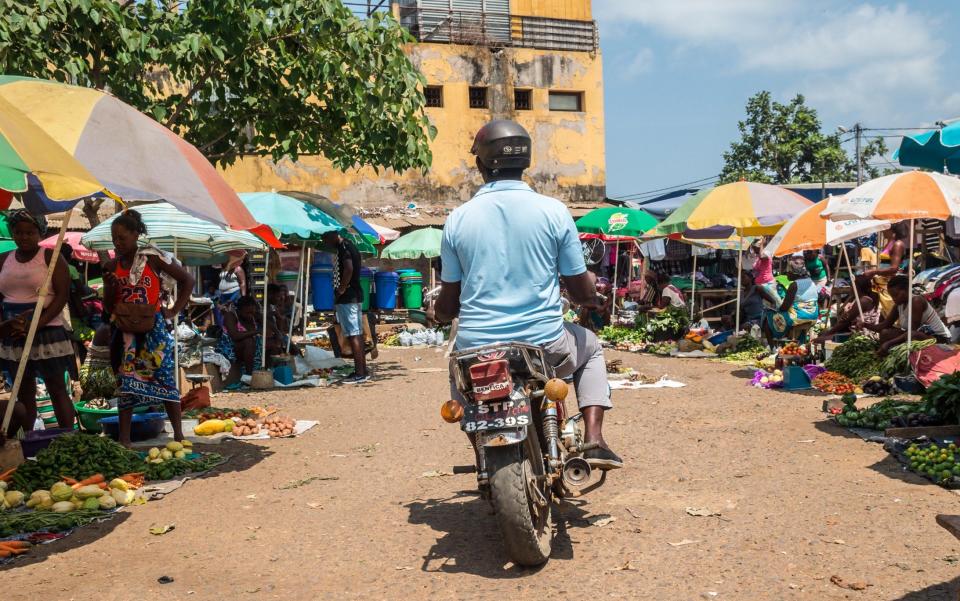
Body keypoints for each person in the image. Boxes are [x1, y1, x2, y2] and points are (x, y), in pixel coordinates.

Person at [436, 119, 621, 470]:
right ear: (526, 162)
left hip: (479, 348)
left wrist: (441, 313)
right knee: (592, 347)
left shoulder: (457, 220)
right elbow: (580, 290)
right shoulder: (553, 212)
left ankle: (482, 453)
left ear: (480, 164)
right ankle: (595, 439)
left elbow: (449, 300)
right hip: (545, 348)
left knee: (459, 374)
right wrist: (593, 298)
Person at [103, 210, 194, 446]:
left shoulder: (152, 258)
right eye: (114, 238)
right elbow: (107, 307)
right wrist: (111, 286)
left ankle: (178, 434)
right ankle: (124, 440)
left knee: (163, 379)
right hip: (125, 334)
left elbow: (187, 280)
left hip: (153, 333)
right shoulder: (112, 265)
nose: (117, 243)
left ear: (136, 235)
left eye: (122, 237)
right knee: (126, 384)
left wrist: (173, 311)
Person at [0, 211, 77, 437]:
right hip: (13, 331)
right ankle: (29, 439)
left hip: (47, 329)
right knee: (24, 391)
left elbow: (62, 296)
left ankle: (68, 438)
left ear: (39, 233)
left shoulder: (51, 258)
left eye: (30, 232)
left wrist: (38, 324)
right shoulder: (4, 259)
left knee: (56, 387)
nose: (24, 237)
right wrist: (6, 324)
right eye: (19, 232)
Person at [860, 275, 950, 355]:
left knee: (913, 336)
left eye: (896, 295)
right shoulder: (899, 304)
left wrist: (888, 343)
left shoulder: (916, 301)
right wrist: (864, 324)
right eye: (892, 296)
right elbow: (884, 326)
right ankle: (883, 359)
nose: (894, 299)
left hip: (938, 339)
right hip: (918, 335)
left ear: (907, 290)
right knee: (885, 333)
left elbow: (911, 333)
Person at [321, 230, 368, 384]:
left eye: (325, 237)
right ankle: (361, 370)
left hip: (349, 297)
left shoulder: (345, 248)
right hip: (351, 296)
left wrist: (341, 289)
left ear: (333, 234)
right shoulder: (347, 246)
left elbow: (348, 269)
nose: (325, 241)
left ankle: (360, 373)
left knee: (354, 334)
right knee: (356, 333)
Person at [763, 257, 820, 343]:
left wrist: (774, 306)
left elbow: (784, 308)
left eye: (788, 272)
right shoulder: (811, 282)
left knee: (767, 319)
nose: (787, 275)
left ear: (795, 273)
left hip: (800, 316)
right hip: (814, 315)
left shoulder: (794, 285)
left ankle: (773, 348)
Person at [812, 275, 881, 344]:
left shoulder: (863, 301)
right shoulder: (859, 298)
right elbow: (844, 317)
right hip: (854, 331)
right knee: (822, 334)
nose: (850, 288)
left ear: (857, 288)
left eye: (852, 286)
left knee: (820, 340)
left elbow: (845, 321)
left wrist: (827, 334)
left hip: (863, 335)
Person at [863, 221, 910, 318]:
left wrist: (874, 271)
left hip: (891, 283)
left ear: (890, 229)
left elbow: (894, 268)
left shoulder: (897, 244)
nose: (882, 230)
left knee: (891, 312)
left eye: (884, 228)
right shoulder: (889, 243)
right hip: (882, 283)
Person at [216, 295, 263, 378]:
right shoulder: (230, 316)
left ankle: (270, 370)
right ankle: (249, 375)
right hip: (230, 348)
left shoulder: (253, 317)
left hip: (247, 348)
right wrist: (256, 332)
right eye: (247, 313)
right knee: (249, 341)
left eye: (252, 313)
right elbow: (235, 336)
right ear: (240, 310)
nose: (250, 315)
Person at [750, 238, 781, 307]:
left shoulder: (767, 252)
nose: (754, 249)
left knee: (775, 303)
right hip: (760, 285)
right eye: (754, 247)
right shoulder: (757, 257)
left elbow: (762, 256)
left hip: (768, 284)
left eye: (756, 247)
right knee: (765, 306)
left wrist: (761, 245)